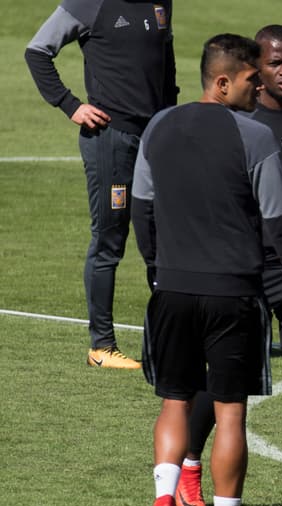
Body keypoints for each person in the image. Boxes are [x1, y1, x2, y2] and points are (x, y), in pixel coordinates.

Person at [133, 33, 282, 506]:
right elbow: (279, 226)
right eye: (252, 79)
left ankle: (164, 501)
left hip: (172, 288)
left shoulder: (158, 126)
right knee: (229, 415)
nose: (260, 87)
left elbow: (141, 210)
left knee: (174, 400)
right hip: (233, 293)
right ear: (222, 82)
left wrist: (158, 270)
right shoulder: (257, 137)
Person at [176, 24, 282, 506]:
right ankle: (190, 467)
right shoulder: (240, 122)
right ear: (255, 70)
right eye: (275, 62)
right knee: (226, 376)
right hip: (245, 268)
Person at [26, 0, 177, 369]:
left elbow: (165, 58)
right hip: (112, 139)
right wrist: (70, 105)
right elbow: (37, 51)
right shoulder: (89, 3)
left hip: (155, 138)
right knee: (110, 240)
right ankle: (102, 346)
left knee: (163, 238)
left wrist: (171, 115)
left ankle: (169, 342)